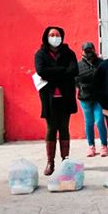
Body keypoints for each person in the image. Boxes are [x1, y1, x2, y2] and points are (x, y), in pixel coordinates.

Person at [34, 26, 78, 176]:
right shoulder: (40, 54)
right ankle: (50, 162)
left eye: (57, 34)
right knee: (51, 128)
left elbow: (74, 71)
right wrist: (62, 71)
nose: (55, 37)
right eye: (52, 34)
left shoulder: (69, 53)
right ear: (46, 37)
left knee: (64, 128)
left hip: (65, 98)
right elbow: (41, 71)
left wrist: (52, 73)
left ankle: (65, 160)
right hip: (49, 98)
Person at [75, 42, 108, 158]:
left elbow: (106, 78)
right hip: (85, 99)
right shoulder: (78, 65)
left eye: (90, 50)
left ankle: (104, 145)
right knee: (88, 122)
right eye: (86, 50)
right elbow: (75, 81)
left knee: (99, 121)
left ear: (95, 50)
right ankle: (91, 146)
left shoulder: (101, 63)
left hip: (98, 98)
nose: (88, 52)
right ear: (82, 52)